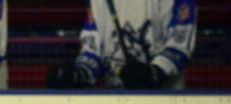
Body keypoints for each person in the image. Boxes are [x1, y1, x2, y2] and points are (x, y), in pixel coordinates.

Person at [47, 0, 196, 90]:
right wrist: (78, 74)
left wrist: (155, 72)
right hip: (116, 102)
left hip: (166, 103)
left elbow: (180, 45)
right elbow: (94, 49)